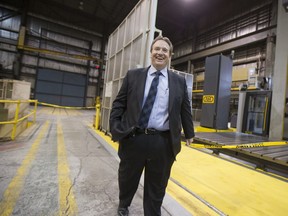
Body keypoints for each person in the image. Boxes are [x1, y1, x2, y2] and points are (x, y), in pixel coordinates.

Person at [109, 35, 195, 216]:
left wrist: (189, 133)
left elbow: (185, 109)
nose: (160, 53)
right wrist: (115, 127)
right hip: (134, 138)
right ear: (151, 53)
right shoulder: (134, 76)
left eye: (164, 50)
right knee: (127, 178)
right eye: (157, 49)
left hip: (162, 143)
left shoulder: (178, 82)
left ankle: (152, 213)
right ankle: (124, 204)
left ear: (170, 55)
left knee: (157, 185)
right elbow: (119, 104)